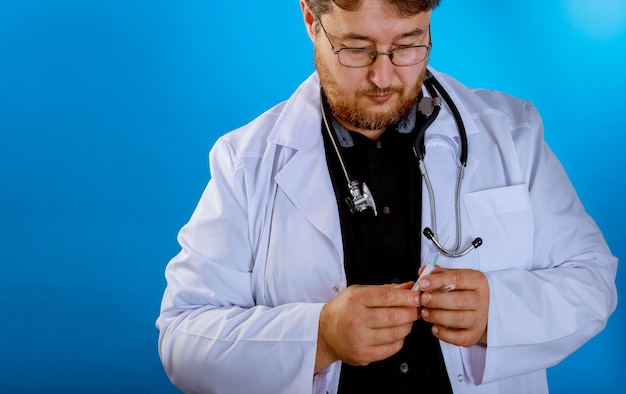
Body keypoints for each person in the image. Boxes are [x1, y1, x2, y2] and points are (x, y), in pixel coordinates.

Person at [156, 0, 618, 393]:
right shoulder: (244, 162)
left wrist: (500, 312)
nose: (383, 76)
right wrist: (319, 338)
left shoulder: (512, 134)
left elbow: (594, 281)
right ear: (311, 21)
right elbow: (182, 339)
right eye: (356, 48)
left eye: (407, 45)